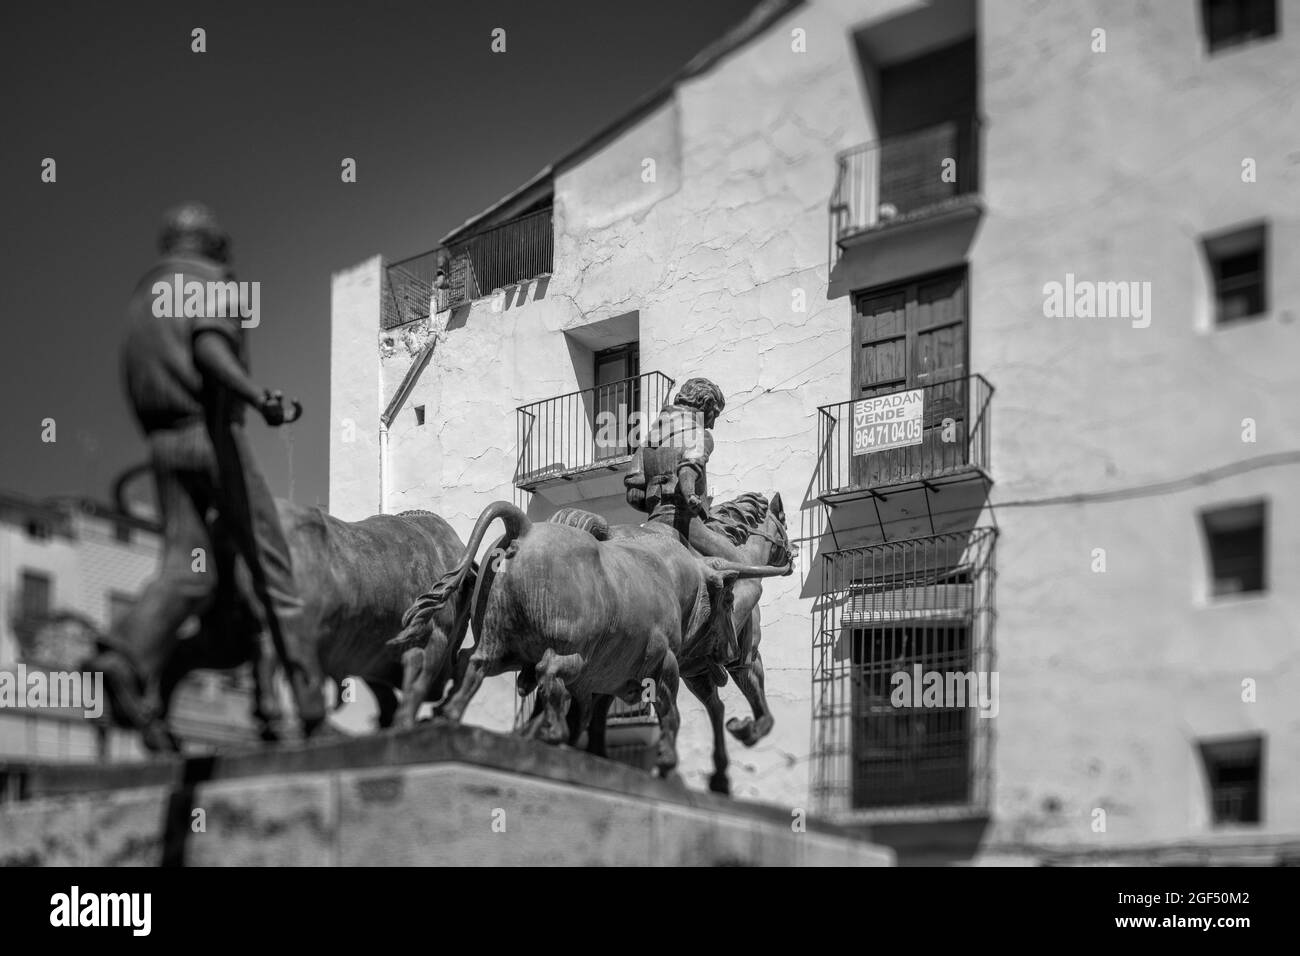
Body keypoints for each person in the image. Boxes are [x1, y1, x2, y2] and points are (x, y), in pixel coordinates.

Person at [97, 201, 325, 748]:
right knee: (275, 573)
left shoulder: (141, 302)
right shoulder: (214, 281)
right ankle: (313, 713)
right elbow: (210, 345)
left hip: (162, 444)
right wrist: (256, 397)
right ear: (211, 243)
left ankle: (125, 654)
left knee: (188, 569)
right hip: (213, 438)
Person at [624, 376, 745, 562]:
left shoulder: (647, 441)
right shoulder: (698, 434)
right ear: (707, 403)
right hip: (686, 522)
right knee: (740, 564)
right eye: (714, 414)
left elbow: (635, 493)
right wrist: (689, 495)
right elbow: (689, 467)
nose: (711, 425)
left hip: (654, 519)